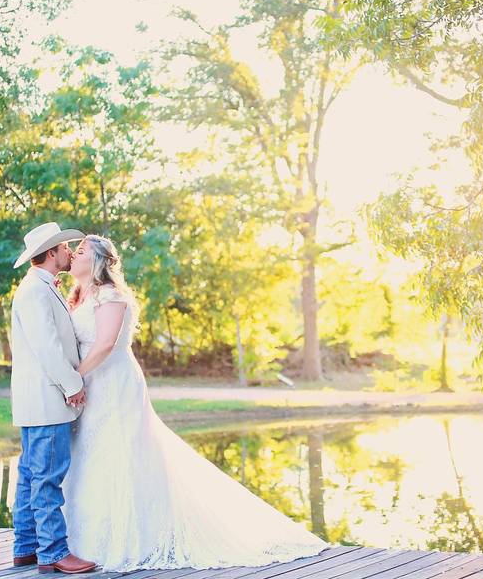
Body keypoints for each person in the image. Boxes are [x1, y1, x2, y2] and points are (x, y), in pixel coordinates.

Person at [61, 234, 328, 572]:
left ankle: (126, 537)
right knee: (87, 453)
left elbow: (104, 345)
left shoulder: (111, 296)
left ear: (98, 261)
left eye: (80, 250)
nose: (73, 254)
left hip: (112, 384)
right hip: (90, 384)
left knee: (116, 453)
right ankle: (78, 541)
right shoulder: (76, 296)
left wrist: (74, 378)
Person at [9, 222, 98, 575]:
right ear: (50, 254)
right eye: (64, 248)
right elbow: (47, 348)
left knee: (31, 475)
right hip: (46, 399)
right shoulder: (34, 291)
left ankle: (26, 548)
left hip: (39, 401)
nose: (69, 251)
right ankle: (53, 553)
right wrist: (73, 384)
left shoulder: (43, 287)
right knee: (46, 477)